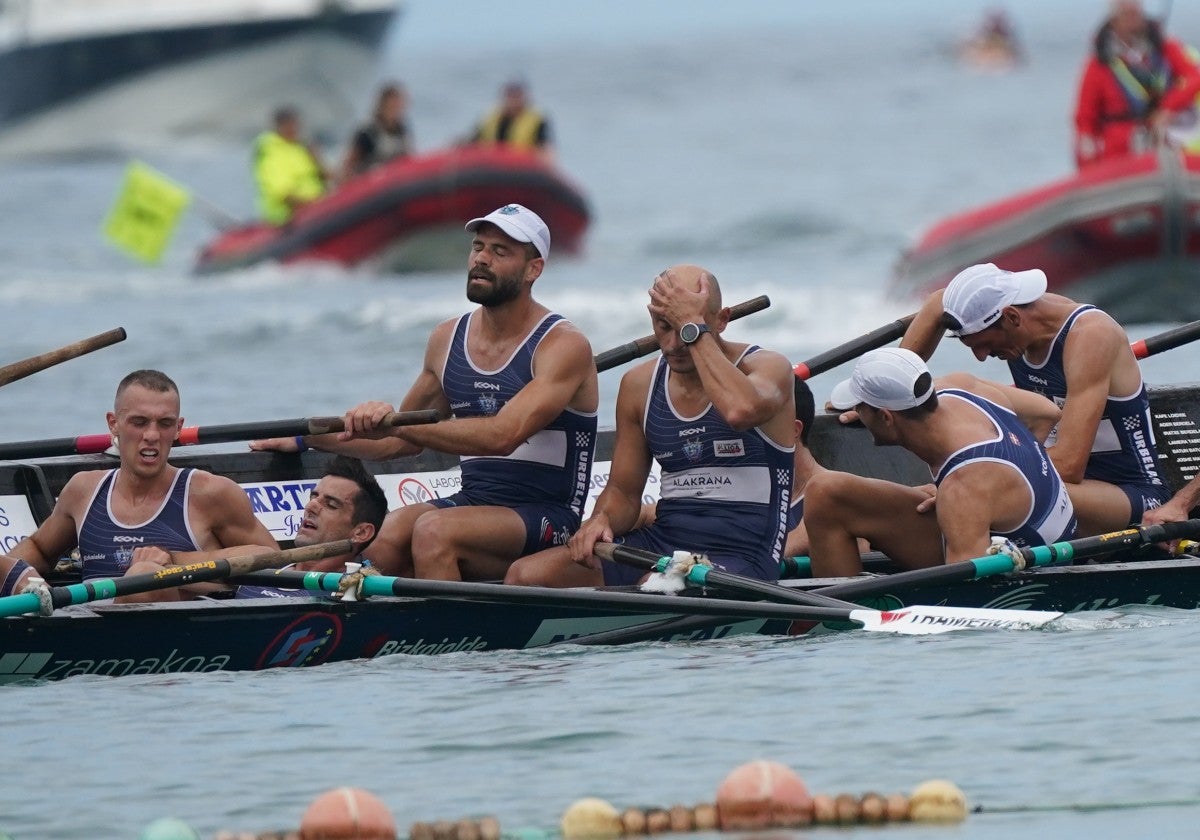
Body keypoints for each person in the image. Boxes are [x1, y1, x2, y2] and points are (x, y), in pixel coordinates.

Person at [253, 203, 598, 581]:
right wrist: (310, 439)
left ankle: (450, 637)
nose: (482, 259)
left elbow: (503, 435)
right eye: (479, 247)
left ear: (534, 269)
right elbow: (399, 444)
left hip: (549, 516)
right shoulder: (447, 339)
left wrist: (393, 425)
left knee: (434, 531)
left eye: (500, 252)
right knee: (387, 536)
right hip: (474, 503)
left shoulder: (562, 345)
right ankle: (384, 634)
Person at [506, 264, 796, 588]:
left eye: (685, 329)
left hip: (745, 553)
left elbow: (740, 410)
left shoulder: (769, 368)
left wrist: (694, 328)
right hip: (662, 545)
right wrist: (602, 519)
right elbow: (623, 493)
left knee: (658, 584)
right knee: (526, 576)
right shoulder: (639, 385)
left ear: (722, 319)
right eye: (664, 327)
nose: (673, 344)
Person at [899, 263, 1170, 536]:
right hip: (1049, 481)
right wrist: (890, 394)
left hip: (1129, 495)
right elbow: (938, 302)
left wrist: (970, 478)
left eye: (984, 343)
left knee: (972, 494)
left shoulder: (1090, 335)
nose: (981, 356)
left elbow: (1069, 465)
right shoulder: (1016, 329)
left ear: (1012, 317)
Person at [8, 370, 279, 602]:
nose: (151, 435)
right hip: (92, 624)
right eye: (139, 422)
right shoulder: (83, 490)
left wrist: (173, 561)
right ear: (113, 424)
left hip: (173, 636)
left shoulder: (210, 493)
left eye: (165, 424)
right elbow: (40, 550)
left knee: (145, 575)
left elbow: (273, 559)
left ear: (178, 429)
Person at [806, 348, 1076, 577]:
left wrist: (983, 493)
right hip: (1053, 530)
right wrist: (1000, 490)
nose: (856, 413)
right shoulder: (963, 386)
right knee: (829, 489)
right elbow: (1047, 412)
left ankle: (835, 625)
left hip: (1041, 568)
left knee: (825, 496)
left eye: (859, 407)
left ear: (887, 417)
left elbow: (969, 604)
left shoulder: (964, 488)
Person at [236, 456, 387, 598]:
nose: (310, 506)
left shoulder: (366, 595)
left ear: (361, 532)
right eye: (313, 497)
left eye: (331, 505)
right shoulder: (263, 566)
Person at [1073, 0, 1200, 168]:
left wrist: (1168, 109)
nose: (1133, 21)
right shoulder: (1099, 64)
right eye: (1127, 14)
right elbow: (1085, 120)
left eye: (1136, 14)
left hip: (1163, 146)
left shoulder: (1163, 48)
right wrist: (1088, 166)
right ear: (1114, 19)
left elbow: (1194, 77)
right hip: (1118, 157)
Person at [254, 106, 328, 224]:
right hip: (288, 217)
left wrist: (317, 159)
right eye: (291, 125)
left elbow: (327, 177)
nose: (296, 129)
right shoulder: (271, 152)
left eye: (296, 124)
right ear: (280, 126)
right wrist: (313, 205)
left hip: (317, 207)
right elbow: (283, 193)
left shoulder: (300, 147)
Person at [340, 82, 414, 181]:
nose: (395, 110)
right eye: (391, 106)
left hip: (393, 184)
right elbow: (349, 164)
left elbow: (408, 159)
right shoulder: (368, 132)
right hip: (369, 184)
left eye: (398, 106)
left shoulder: (402, 132)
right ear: (382, 105)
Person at [468, 80, 554, 162]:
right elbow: (472, 142)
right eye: (510, 96)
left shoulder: (537, 121)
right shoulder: (489, 119)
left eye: (517, 96)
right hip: (491, 164)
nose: (513, 101)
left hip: (523, 166)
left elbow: (545, 148)